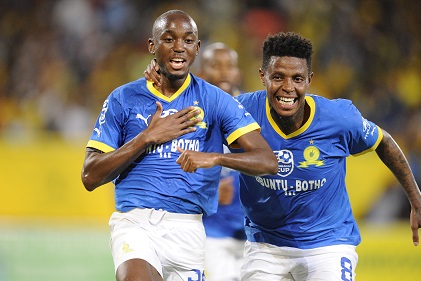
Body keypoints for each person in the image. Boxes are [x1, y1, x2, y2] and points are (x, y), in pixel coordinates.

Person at [144, 31, 421, 281]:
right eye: (278, 77)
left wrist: (415, 198)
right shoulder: (242, 112)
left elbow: (383, 141)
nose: (288, 88)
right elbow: (189, 115)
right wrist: (163, 83)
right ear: (263, 75)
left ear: (309, 80)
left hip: (328, 244)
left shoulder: (339, 118)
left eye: (297, 79)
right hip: (266, 247)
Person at [81, 10, 278, 281]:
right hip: (136, 223)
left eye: (187, 41)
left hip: (189, 229)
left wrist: (215, 158)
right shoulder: (123, 99)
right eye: (168, 39)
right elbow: (90, 175)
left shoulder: (215, 101)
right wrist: (146, 137)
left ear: (196, 48)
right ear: (152, 46)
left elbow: (267, 161)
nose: (178, 48)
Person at [200, 43, 245, 281]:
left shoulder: (254, 112)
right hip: (213, 233)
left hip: (256, 233)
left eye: (230, 66)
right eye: (215, 66)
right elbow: (172, 170)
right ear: (201, 74)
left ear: (238, 73)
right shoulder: (190, 118)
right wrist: (208, 190)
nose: (224, 72)